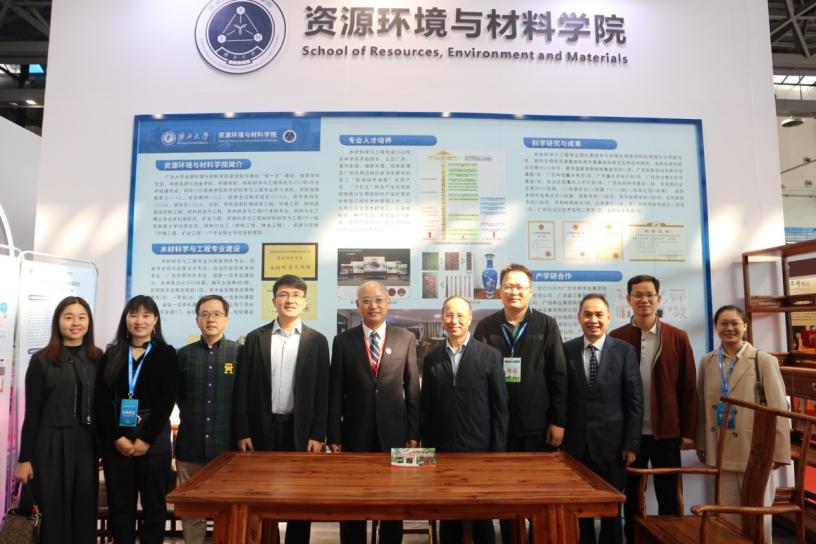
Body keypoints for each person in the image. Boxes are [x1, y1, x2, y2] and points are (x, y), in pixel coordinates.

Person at [472, 263, 567, 544]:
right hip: (498, 427)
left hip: (537, 425)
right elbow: (477, 376)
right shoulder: (486, 326)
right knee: (505, 493)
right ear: (500, 291)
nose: (514, 292)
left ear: (530, 291)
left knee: (538, 492)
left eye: (520, 287)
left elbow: (558, 375)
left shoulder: (546, 324)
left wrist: (558, 421)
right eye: (508, 286)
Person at [233, 274, 329, 544]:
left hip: (300, 432)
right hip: (262, 430)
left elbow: (323, 393)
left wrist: (318, 434)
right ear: (274, 300)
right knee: (262, 497)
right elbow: (242, 389)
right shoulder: (255, 338)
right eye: (284, 294)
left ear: (306, 302)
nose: (290, 300)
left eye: (296, 295)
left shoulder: (317, 341)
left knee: (301, 499)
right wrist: (243, 431)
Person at [328, 280, 420, 544]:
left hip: (395, 435)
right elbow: (335, 392)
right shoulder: (342, 341)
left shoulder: (406, 338)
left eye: (379, 300)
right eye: (366, 300)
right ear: (357, 305)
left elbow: (412, 388)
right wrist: (334, 436)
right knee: (353, 503)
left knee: (394, 503)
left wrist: (414, 433)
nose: (373, 305)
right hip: (355, 434)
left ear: (388, 303)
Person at [609, 274, 698, 542]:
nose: (644, 300)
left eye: (649, 295)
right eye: (638, 295)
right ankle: (635, 539)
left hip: (667, 432)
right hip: (630, 434)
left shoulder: (677, 337)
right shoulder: (617, 337)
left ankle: (670, 539)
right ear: (628, 299)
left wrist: (688, 431)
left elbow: (688, 387)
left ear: (658, 299)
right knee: (632, 495)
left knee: (669, 494)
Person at [695, 305, 789, 543]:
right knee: (727, 516)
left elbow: (778, 409)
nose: (729, 328)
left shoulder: (763, 360)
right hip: (720, 446)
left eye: (735, 323)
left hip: (755, 450)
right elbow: (701, 406)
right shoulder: (707, 361)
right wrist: (702, 443)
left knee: (757, 516)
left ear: (745, 326)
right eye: (723, 323)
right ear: (716, 327)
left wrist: (779, 452)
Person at [14, 296, 102, 544]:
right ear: (58, 321)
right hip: (49, 446)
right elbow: (32, 414)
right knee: (52, 511)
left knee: (84, 511)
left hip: (86, 446)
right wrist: (24, 459)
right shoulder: (41, 360)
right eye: (68, 317)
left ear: (89, 322)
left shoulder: (98, 358)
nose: (76, 323)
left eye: (82, 317)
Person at [421, 296, 508, 544]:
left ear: (470, 319)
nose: (454, 320)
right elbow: (427, 407)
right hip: (443, 449)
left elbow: (500, 408)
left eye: (460, 315)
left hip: (479, 450)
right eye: (449, 315)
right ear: (442, 319)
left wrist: (497, 452)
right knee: (448, 516)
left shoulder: (490, 355)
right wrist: (428, 450)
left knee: (481, 517)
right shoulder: (432, 358)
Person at [94, 295, 179, 544]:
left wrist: (145, 439)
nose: (139, 321)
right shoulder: (112, 354)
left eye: (145, 315)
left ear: (155, 320)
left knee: (154, 506)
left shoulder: (166, 354)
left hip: (154, 438)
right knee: (120, 507)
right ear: (125, 320)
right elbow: (101, 401)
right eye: (133, 315)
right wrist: (116, 437)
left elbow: (167, 401)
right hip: (117, 437)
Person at [563, 294, 642, 544]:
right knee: (580, 511)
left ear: (608, 318)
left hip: (613, 446)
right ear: (579, 318)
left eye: (599, 315)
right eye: (587, 314)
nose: (593, 320)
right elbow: (561, 396)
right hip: (576, 446)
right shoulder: (566, 350)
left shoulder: (625, 351)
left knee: (611, 511)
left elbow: (634, 400)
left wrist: (631, 443)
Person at [175, 295, 242, 544]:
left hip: (228, 448)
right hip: (190, 446)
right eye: (204, 314)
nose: (210, 319)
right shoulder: (183, 355)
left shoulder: (240, 353)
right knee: (192, 509)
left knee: (227, 508)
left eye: (216, 314)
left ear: (226, 319)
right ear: (197, 320)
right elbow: (179, 397)